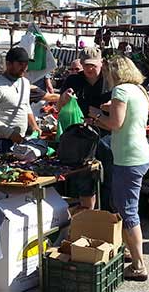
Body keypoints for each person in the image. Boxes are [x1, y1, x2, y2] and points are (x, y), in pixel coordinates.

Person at [89, 56, 149, 281]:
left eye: (107, 73)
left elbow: (115, 124)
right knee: (122, 205)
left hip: (129, 158)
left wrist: (96, 115)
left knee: (127, 211)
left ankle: (139, 266)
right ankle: (129, 250)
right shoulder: (139, 90)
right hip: (140, 154)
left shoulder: (121, 91)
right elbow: (129, 117)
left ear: (113, 73)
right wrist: (110, 107)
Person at [58, 47, 112, 210]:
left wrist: (106, 110)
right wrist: (64, 99)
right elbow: (59, 107)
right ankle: (88, 215)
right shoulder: (73, 80)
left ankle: (107, 213)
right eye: (86, 65)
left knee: (108, 175)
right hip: (81, 134)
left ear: (101, 63)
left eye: (93, 65)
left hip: (106, 132)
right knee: (84, 177)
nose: (89, 69)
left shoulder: (110, 80)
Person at [0, 47, 40, 152]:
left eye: (26, 64)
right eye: (20, 64)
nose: (24, 68)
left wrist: (34, 125)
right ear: (9, 64)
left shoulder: (25, 83)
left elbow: (25, 105)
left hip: (20, 138)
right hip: (0, 140)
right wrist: (9, 133)